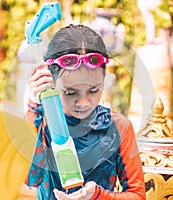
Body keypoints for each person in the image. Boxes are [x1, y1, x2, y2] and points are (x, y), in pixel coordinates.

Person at [25, 24, 146, 200]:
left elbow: (137, 196)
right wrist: (34, 107)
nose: (83, 102)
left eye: (94, 90)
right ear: (51, 82)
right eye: (71, 92)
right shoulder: (40, 121)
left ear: (104, 82)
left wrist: (97, 195)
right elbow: (26, 182)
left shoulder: (118, 128)